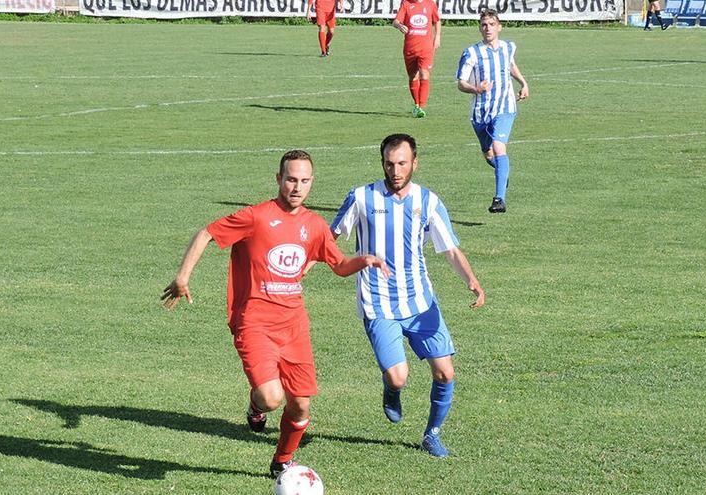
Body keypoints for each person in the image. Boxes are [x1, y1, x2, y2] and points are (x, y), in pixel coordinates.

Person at [162, 150, 390, 477]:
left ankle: (282, 460)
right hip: (253, 322)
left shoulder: (314, 225)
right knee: (271, 398)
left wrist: (363, 260)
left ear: (312, 182)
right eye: (291, 179)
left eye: (304, 181)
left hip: (294, 326)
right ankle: (256, 407)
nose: (297, 187)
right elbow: (206, 233)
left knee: (300, 405)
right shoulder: (256, 217)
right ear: (279, 179)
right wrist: (183, 277)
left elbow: (339, 265)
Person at [330, 134, 486, 458]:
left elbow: (450, 249)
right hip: (378, 302)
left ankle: (432, 434)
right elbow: (329, 239)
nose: (396, 170)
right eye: (389, 163)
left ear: (415, 162)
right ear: (382, 163)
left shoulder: (428, 201)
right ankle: (391, 390)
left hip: (420, 302)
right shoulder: (361, 197)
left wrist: (471, 280)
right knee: (399, 377)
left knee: (445, 372)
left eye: (402, 163)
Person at [456, 9, 529, 214]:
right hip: (480, 112)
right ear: (480, 28)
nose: (487, 28)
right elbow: (461, 83)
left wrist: (523, 83)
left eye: (491, 24)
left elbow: (511, 66)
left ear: (499, 27)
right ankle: (502, 175)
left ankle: (499, 199)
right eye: (484, 25)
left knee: (499, 148)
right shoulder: (471, 52)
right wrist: (476, 88)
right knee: (488, 154)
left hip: (505, 107)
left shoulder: (508, 47)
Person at [392, 0, 441, 118]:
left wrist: (438, 36)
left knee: (424, 74)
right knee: (413, 76)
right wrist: (399, 26)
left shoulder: (430, 4)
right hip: (410, 48)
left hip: (426, 48)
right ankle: (416, 104)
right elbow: (395, 21)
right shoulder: (406, 3)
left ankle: (421, 107)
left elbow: (437, 21)